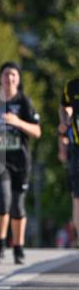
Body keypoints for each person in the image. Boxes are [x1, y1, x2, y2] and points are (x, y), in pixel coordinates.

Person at [0, 62, 41, 264]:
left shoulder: (24, 101)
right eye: (6, 74)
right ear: (0, 78)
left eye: (13, 75)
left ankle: (18, 247)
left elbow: (37, 131)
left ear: (18, 78)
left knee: (17, 206)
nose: (9, 78)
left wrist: (17, 122)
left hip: (21, 160)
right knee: (2, 200)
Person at [59, 77, 79, 247]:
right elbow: (63, 106)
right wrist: (65, 120)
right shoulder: (71, 86)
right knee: (77, 198)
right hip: (77, 149)